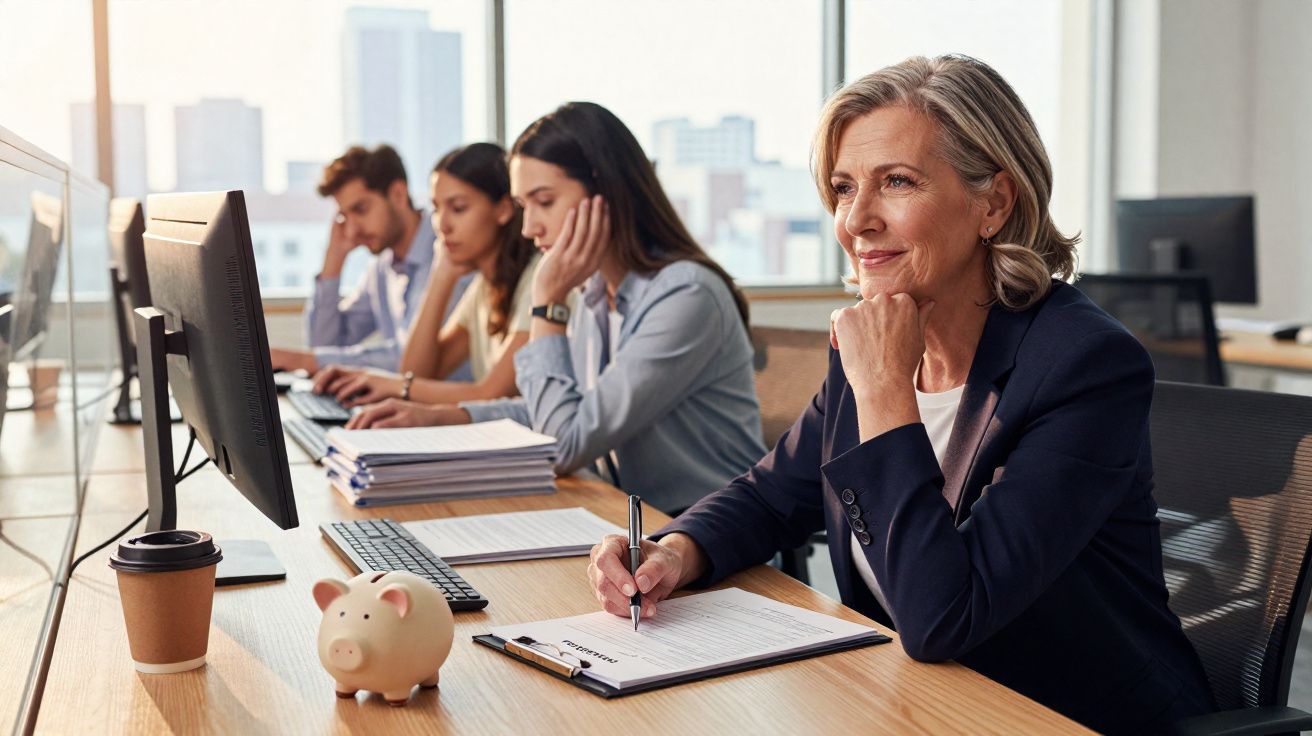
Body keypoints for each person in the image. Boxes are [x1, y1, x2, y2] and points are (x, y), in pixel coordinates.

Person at [584, 56, 1215, 734]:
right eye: (843, 188)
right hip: (918, 706)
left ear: (993, 204)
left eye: (898, 183)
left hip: (1060, 715)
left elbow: (948, 614)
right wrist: (674, 552)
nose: (856, 220)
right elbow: (772, 496)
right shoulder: (878, 339)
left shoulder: (1083, 366)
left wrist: (886, 391)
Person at [349, 102, 766, 514]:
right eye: (523, 205)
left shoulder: (685, 296)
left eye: (544, 201)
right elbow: (562, 408)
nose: (529, 228)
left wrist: (547, 303)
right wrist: (438, 417)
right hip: (626, 523)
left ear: (605, 192)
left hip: (707, 542)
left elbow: (563, 443)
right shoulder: (594, 290)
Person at [311, 143, 541, 414]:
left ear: (503, 209)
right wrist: (441, 275)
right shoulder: (483, 288)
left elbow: (489, 393)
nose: (442, 225)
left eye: (458, 208)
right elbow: (417, 372)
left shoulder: (536, 279)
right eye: (436, 209)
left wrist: (392, 385)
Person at [269, 144, 470, 374]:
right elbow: (325, 345)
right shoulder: (382, 268)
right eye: (345, 216)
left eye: (361, 209)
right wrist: (333, 261)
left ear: (398, 194)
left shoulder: (450, 251)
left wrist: (305, 361)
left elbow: (412, 359)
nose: (352, 230)